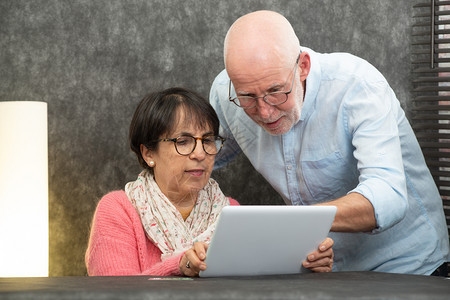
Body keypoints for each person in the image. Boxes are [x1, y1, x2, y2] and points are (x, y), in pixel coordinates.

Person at [210, 10, 449, 276]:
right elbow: (200, 156)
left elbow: (388, 195)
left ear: (303, 66)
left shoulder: (358, 85)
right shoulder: (226, 92)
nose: (265, 112)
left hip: (408, 265)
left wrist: (288, 225)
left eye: (276, 91)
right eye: (248, 98)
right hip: (322, 269)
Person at [85, 87, 333, 276]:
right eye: (183, 141)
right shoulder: (117, 210)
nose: (200, 153)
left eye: (207, 140)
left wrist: (305, 265)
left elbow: (255, 287)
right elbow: (113, 292)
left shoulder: (231, 212)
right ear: (148, 153)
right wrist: (180, 265)